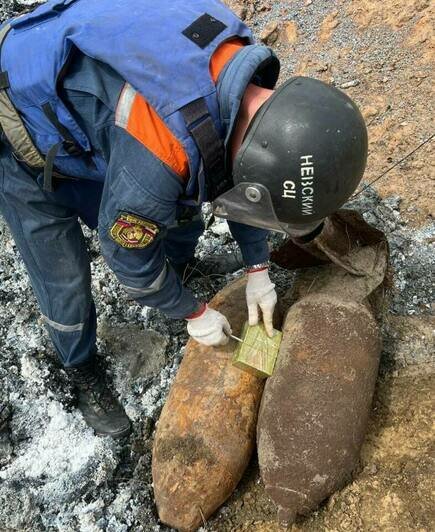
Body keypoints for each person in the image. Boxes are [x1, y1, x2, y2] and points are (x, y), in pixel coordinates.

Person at [0, 0, 367, 438]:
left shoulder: (238, 58)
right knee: (65, 282)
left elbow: (235, 170)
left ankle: (177, 267)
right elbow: (128, 262)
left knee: (181, 202)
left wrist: (258, 267)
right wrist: (191, 312)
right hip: (20, 128)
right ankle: (80, 366)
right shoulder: (160, 156)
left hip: (93, 111)